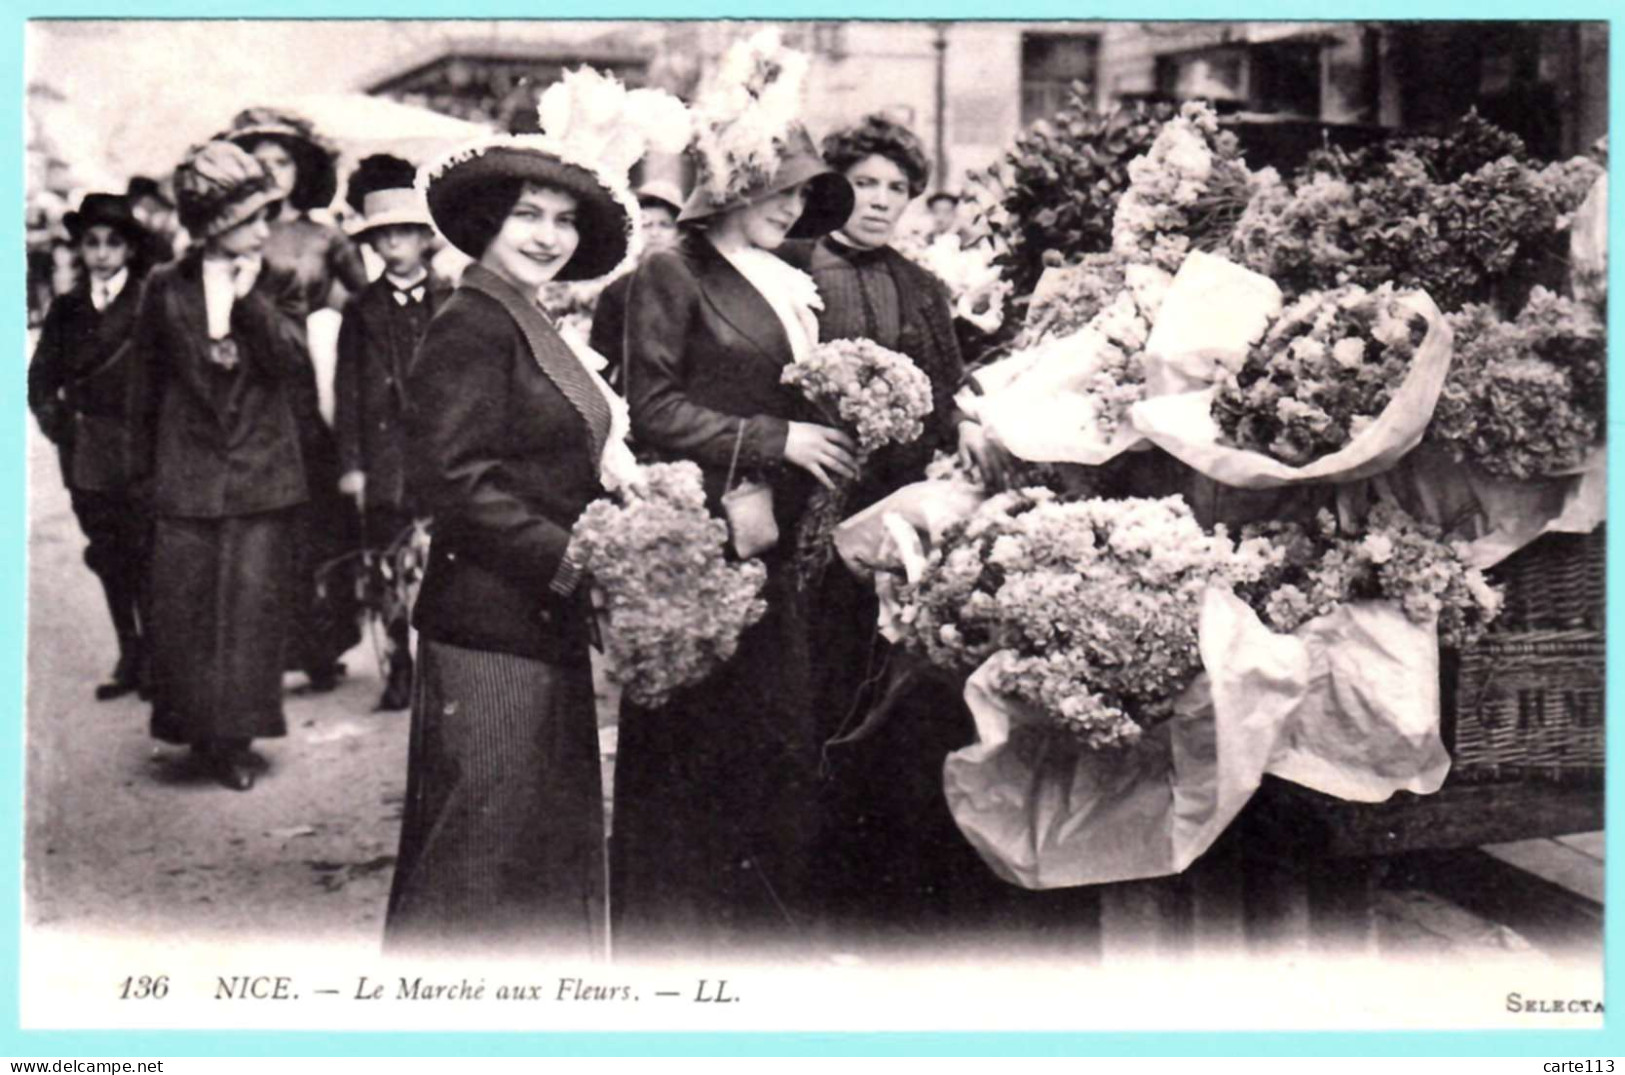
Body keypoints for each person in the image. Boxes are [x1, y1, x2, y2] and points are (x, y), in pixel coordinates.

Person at [383, 132, 639, 959]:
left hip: (538, 620)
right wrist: (574, 558)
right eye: (528, 214)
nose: (548, 235)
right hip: (490, 625)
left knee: (531, 849)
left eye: (564, 220)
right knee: (479, 853)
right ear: (489, 221)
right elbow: (454, 480)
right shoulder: (471, 322)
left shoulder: (521, 313)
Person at [610, 121, 858, 958]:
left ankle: (756, 933)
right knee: (699, 745)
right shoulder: (669, 271)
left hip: (773, 539)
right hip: (705, 545)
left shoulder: (782, 277)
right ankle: (685, 943)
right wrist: (774, 439)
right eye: (780, 189)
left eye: (800, 193)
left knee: (768, 739)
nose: (793, 208)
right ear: (732, 187)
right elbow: (653, 407)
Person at [780, 114, 1008, 952]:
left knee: (893, 690)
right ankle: (816, 890)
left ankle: (884, 889)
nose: (879, 202)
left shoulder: (920, 284)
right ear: (832, 186)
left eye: (896, 189)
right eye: (865, 184)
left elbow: (949, 396)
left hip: (901, 511)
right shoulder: (794, 267)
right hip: (811, 500)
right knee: (818, 681)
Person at [124, 141, 310, 792]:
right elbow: (143, 385)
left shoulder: (279, 279)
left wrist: (250, 300)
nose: (265, 229)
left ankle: (235, 741)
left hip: (261, 474)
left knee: (248, 614)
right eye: (254, 216)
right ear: (217, 225)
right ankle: (197, 732)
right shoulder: (163, 286)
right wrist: (142, 474)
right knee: (186, 611)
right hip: (186, 474)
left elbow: (293, 366)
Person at [224, 108, 368, 693]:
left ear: (301, 166)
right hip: (249, 393)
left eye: (281, 160)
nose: (270, 170)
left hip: (315, 391)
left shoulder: (324, 237)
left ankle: (323, 643)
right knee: (262, 524)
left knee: (320, 523)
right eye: (257, 161)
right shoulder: (226, 235)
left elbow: (367, 310)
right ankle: (268, 647)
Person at [27, 193, 155, 701]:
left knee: (147, 549)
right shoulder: (67, 307)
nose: (101, 253)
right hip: (85, 453)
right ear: (80, 249)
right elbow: (39, 379)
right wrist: (60, 425)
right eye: (92, 243)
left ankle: (158, 658)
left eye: (112, 243)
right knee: (107, 552)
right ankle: (130, 650)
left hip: (140, 448)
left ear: (128, 249)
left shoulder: (149, 300)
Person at [333, 180, 448, 711]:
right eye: (384, 236)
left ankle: (448, 665)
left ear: (426, 238)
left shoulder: (452, 299)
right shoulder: (361, 309)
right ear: (372, 246)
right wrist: (352, 464)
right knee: (388, 562)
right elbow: (347, 388)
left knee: (446, 557)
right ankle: (399, 663)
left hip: (444, 452)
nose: (395, 243)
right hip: (387, 459)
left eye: (406, 232)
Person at [586, 179, 684, 390]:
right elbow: (601, 363)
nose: (655, 233)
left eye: (665, 225)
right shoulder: (617, 291)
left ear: (679, 232)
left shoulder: (695, 284)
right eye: (646, 225)